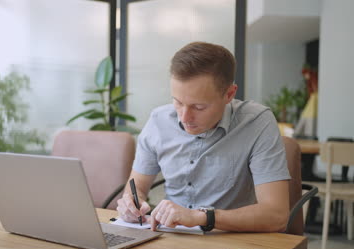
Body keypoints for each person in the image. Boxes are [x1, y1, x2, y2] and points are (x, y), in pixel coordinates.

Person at [116, 42, 290, 233]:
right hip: (171, 239)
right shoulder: (158, 121)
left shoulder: (257, 122)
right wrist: (131, 205)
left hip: (232, 240)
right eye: (178, 102)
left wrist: (201, 217)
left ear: (229, 94)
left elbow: (276, 216)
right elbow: (136, 188)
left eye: (199, 107)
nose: (184, 117)